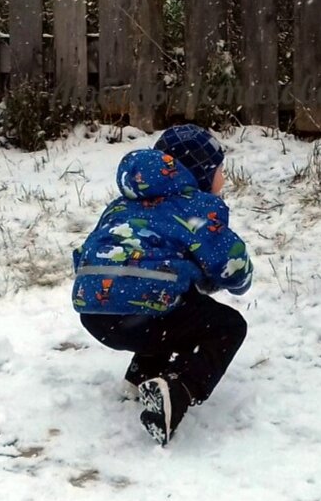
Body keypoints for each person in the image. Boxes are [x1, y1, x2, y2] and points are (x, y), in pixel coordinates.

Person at [71, 124, 253, 446]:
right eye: (220, 170)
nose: (224, 178)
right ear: (200, 175)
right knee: (227, 326)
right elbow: (230, 261)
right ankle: (177, 391)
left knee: (170, 303)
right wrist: (241, 280)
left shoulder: (120, 205)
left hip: (93, 313)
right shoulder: (194, 207)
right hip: (143, 311)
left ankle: (141, 375)